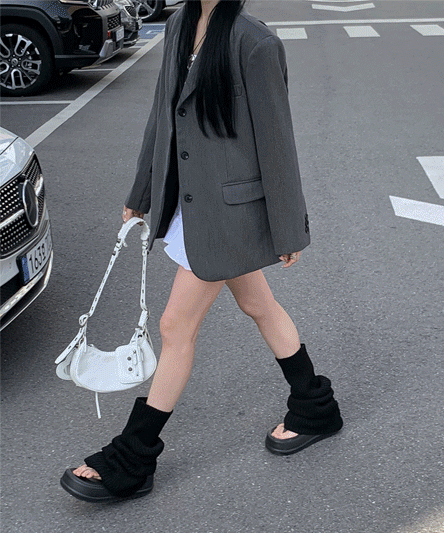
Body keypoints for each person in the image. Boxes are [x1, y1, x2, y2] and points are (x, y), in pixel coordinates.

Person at [60, 0, 343, 503]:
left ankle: (134, 456)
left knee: (175, 327)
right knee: (257, 303)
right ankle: (315, 405)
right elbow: (161, 116)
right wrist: (142, 192)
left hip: (227, 213)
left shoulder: (255, 42)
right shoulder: (179, 24)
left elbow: (277, 140)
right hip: (188, 204)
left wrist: (288, 230)